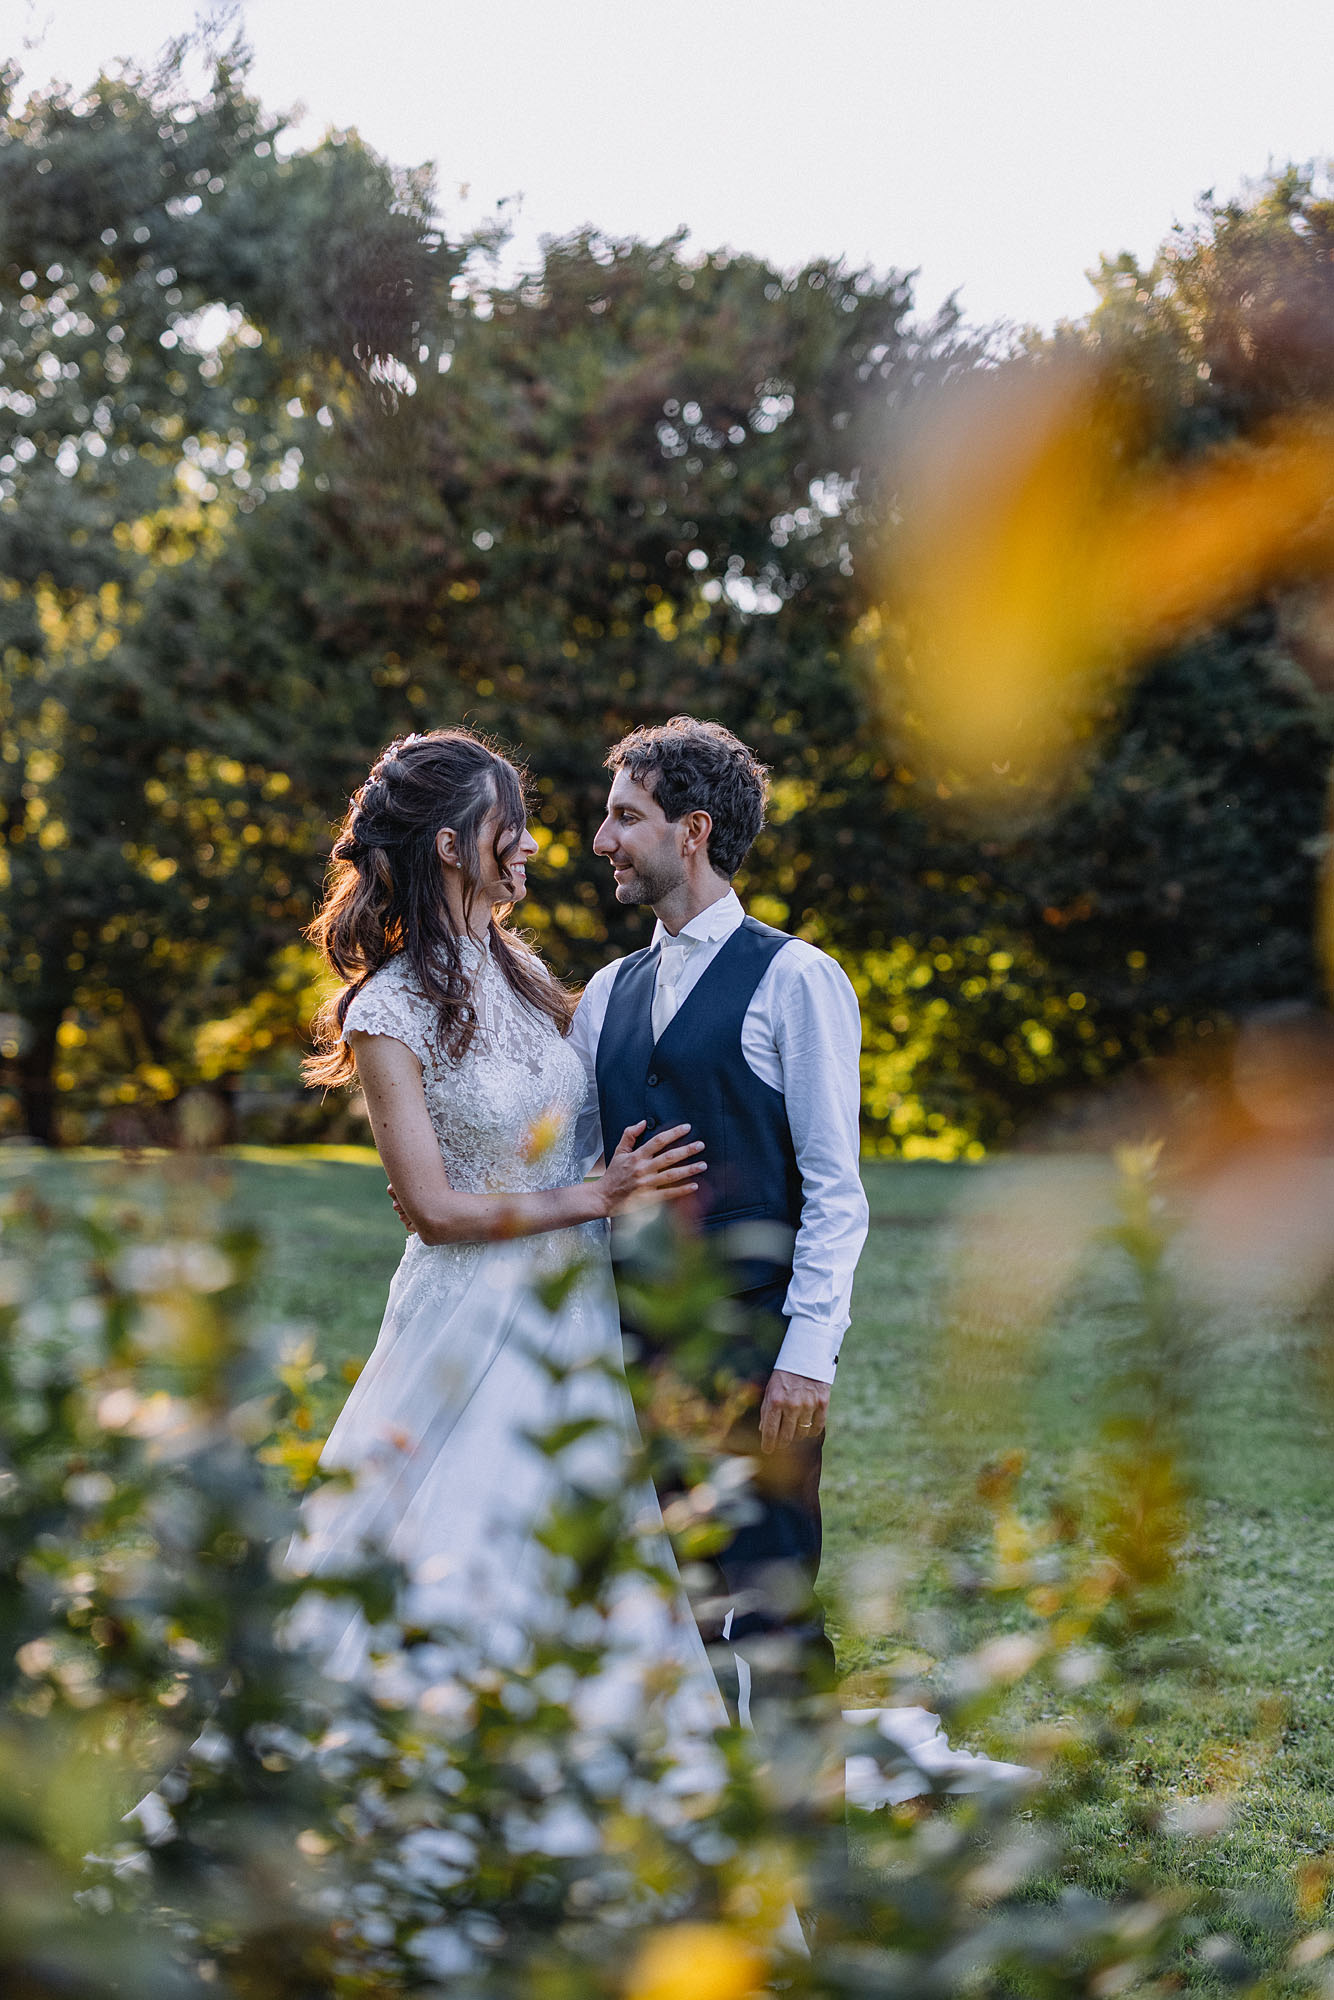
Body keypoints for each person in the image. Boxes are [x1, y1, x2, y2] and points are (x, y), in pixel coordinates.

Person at [290, 727, 723, 1747]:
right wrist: (598, 1196)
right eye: (509, 826)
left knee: (577, 1538)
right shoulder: (386, 1007)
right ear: (451, 845)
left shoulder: (523, 973)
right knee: (467, 1537)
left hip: (570, 1314)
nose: (530, 844)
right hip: (467, 1322)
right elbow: (435, 1209)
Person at [569, 717, 869, 1725]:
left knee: (768, 1615)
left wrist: (806, 1357)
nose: (600, 840)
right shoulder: (605, 992)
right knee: (653, 1608)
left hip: (752, 1356)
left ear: (690, 829)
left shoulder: (794, 977)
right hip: (621, 1353)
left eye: (623, 816)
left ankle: (808, 1866)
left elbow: (834, 1187)